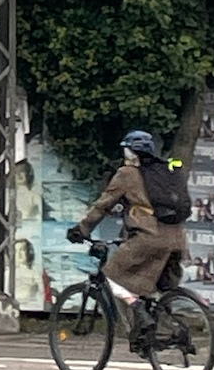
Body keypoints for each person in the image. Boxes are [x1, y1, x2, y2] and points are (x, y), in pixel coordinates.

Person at [67, 129, 187, 347]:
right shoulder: (164, 171)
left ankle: (141, 315)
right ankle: (166, 330)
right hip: (177, 239)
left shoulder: (128, 174)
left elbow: (104, 204)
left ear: (132, 152)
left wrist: (81, 229)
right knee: (158, 287)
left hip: (151, 239)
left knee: (112, 277)